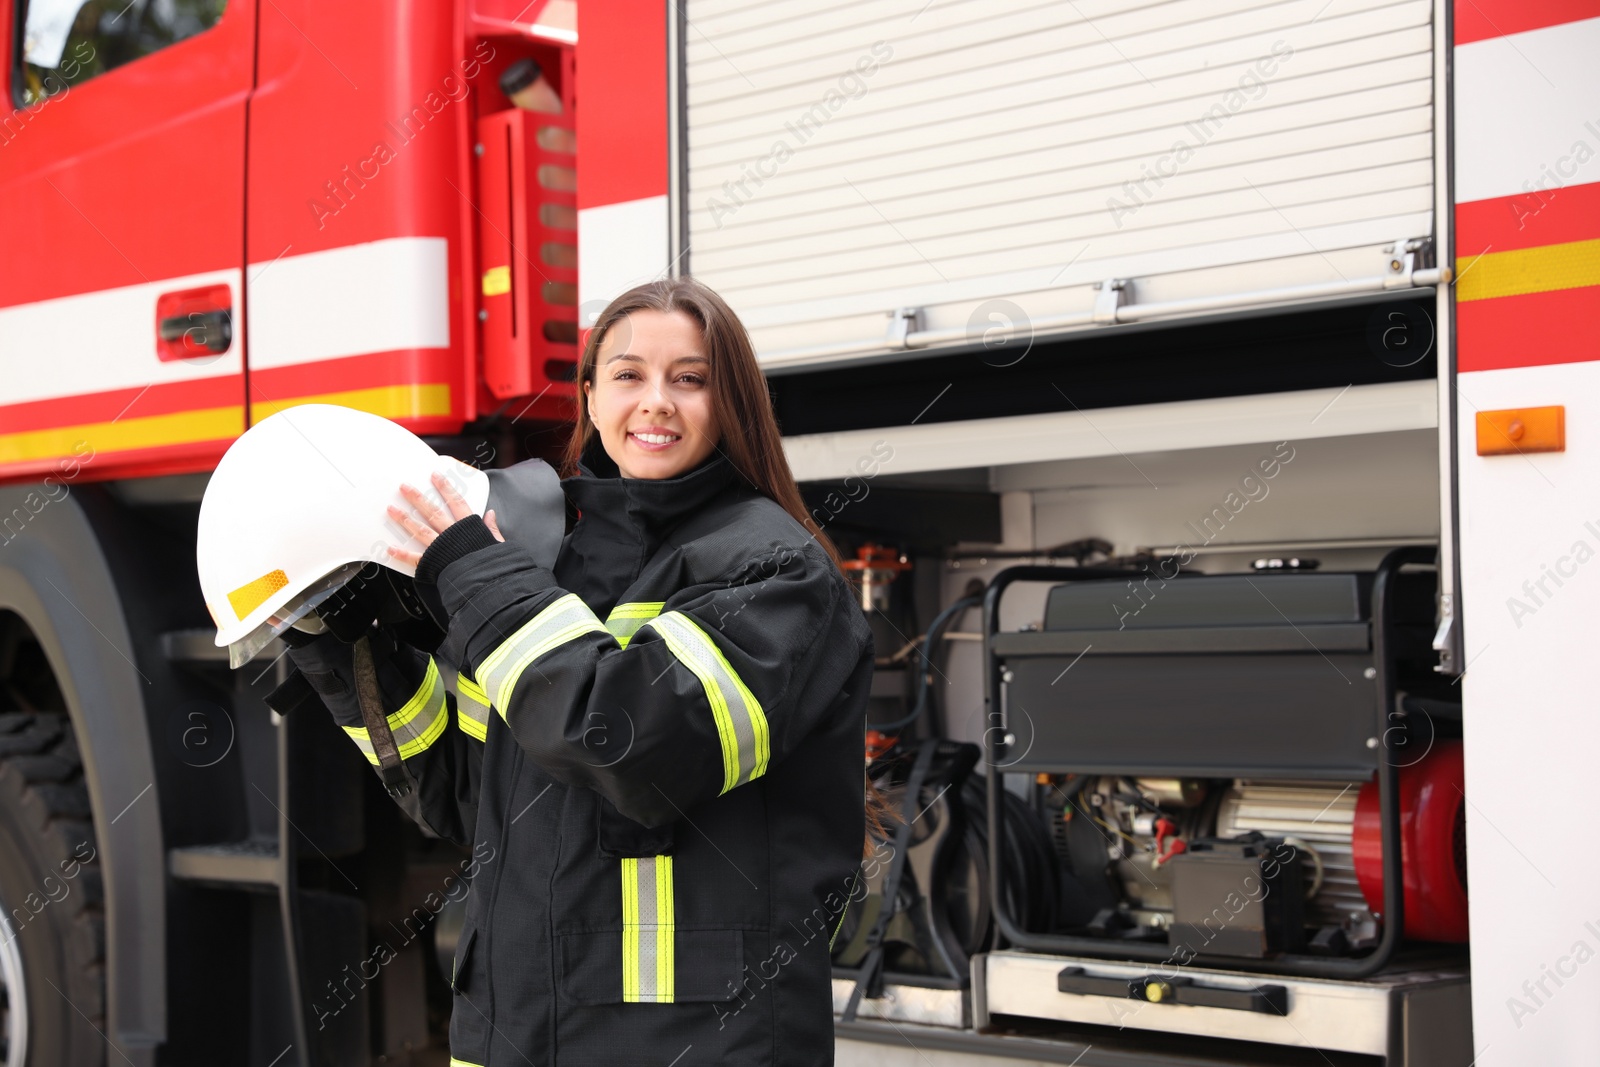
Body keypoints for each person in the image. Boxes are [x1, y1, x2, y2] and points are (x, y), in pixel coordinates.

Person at [284, 277, 891, 1065]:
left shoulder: (775, 572)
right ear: (591, 394)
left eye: (691, 378)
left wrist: (473, 574)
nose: (656, 401)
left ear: (731, 400)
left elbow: (627, 746)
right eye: (629, 374)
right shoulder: (541, 563)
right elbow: (466, 792)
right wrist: (341, 637)